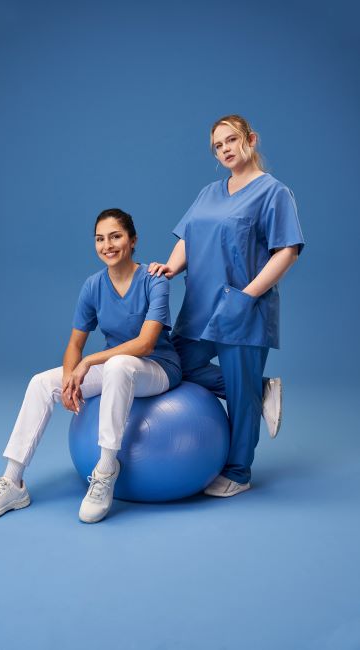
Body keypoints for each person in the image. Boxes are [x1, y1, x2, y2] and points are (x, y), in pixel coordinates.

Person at [0, 209, 182, 523]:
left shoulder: (154, 279)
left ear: (133, 240)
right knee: (42, 382)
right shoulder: (93, 285)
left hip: (157, 369)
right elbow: (74, 344)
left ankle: (106, 469)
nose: (107, 245)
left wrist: (88, 362)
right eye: (100, 239)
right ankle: (13, 481)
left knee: (119, 364)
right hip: (115, 370)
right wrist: (70, 378)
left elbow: (145, 344)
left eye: (116, 236)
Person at [148, 114, 305, 498]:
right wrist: (171, 266)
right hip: (200, 304)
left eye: (231, 140)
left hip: (244, 306)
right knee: (174, 367)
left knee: (239, 393)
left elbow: (287, 250)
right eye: (218, 146)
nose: (225, 150)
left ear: (250, 139)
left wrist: (249, 295)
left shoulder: (273, 192)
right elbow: (188, 235)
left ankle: (238, 471)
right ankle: (261, 390)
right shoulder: (208, 192)